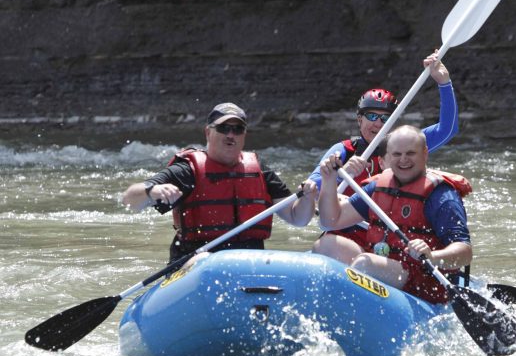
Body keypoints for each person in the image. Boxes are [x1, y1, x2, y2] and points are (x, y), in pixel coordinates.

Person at [309, 50, 459, 258]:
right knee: (325, 245)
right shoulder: (342, 151)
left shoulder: (404, 149)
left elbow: (448, 129)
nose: (378, 123)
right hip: (347, 234)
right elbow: (312, 188)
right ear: (359, 119)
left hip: (388, 239)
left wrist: (444, 82)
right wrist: (340, 174)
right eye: (371, 116)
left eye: (385, 118)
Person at [122, 102, 317, 261]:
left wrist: (308, 198)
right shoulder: (187, 170)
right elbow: (129, 199)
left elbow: (297, 218)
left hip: (248, 260)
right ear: (208, 133)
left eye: (237, 129)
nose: (230, 135)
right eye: (223, 128)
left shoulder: (259, 170)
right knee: (203, 261)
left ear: (244, 135)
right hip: (197, 262)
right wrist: (151, 191)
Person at [317, 125, 473, 304]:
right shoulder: (379, 186)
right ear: (388, 157)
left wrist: (432, 256)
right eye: (397, 154)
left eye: (410, 153)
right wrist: (328, 180)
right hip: (386, 263)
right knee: (325, 245)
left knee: (364, 265)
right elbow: (331, 220)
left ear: (425, 153)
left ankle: (341, 307)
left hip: (424, 278)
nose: (403, 160)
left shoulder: (442, 197)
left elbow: (465, 252)